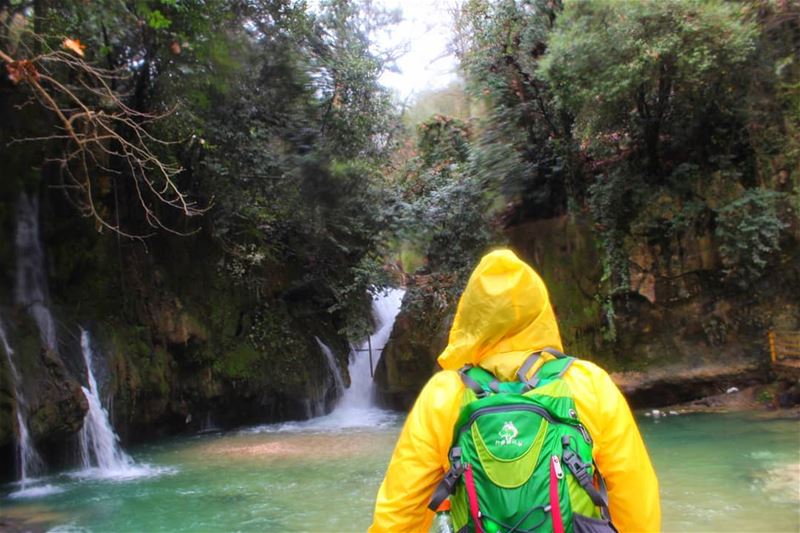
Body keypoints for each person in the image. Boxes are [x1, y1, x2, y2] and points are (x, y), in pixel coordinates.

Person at [369, 249, 660, 532]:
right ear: (541, 309)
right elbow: (634, 491)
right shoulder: (588, 382)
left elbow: (400, 509)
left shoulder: (444, 393)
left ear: (471, 314)